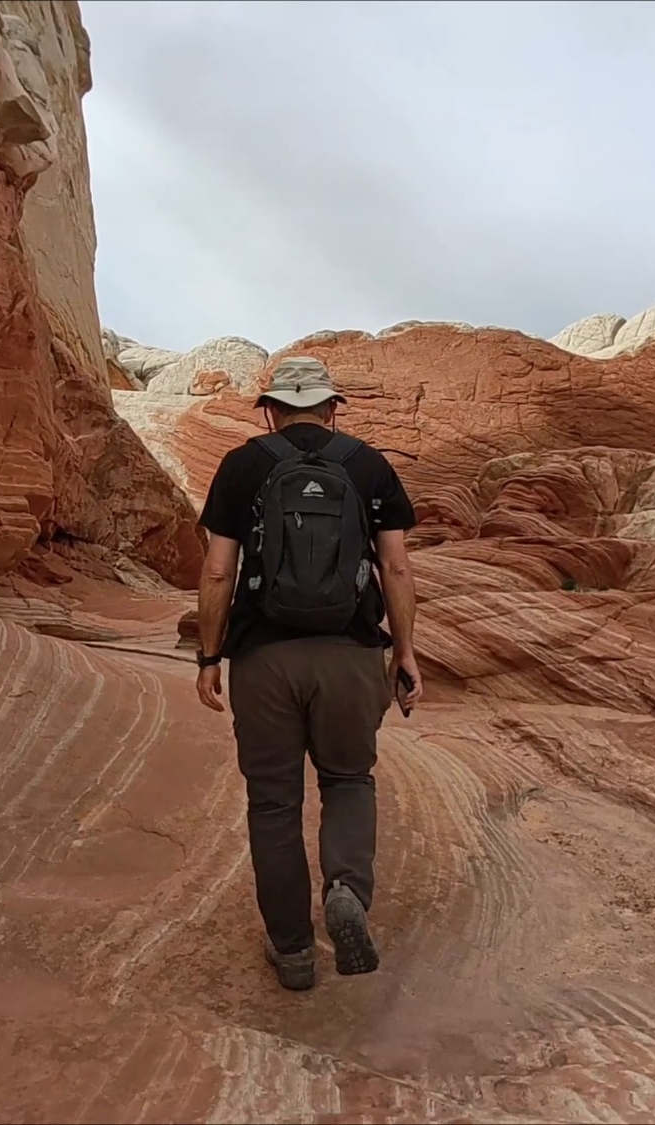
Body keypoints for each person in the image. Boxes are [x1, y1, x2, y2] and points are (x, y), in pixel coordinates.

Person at [193, 355, 423, 992]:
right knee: (348, 780)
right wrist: (404, 652)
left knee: (274, 803)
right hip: (350, 653)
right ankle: (346, 888)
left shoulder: (242, 465)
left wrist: (210, 656)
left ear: (271, 409)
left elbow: (218, 571)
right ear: (331, 408)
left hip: (265, 659)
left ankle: (293, 951)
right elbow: (396, 568)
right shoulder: (368, 466)